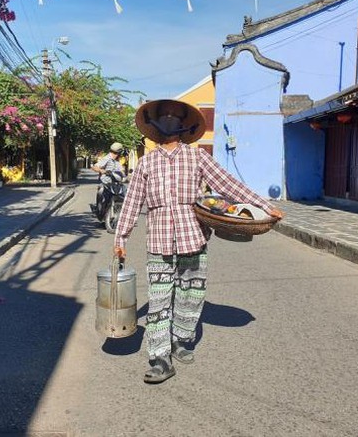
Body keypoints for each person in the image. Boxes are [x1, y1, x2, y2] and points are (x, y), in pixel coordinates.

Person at [113, 99, 283, 384]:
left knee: (191, 295)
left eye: (174, 116)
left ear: (183, 125)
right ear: (155, 125)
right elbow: (132, 203)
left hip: (194, 237)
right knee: (158, 301)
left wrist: (264, 206)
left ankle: (181, 339)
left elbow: (229, 184)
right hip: (159, 241)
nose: (169, 119)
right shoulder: (146, 162)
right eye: (163, 116)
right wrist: (121, 238)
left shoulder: (197, 158)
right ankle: (160, 358)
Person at [91, 142, 125, 215]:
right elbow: (94, 167)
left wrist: (124, 175)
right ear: (119, 151)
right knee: (101, 193)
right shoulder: (107, 158)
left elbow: (121, 171)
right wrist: (101, 170)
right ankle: (98, 209)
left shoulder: (117, 161)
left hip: (115, 183)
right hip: (105, 183)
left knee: (124, 195)